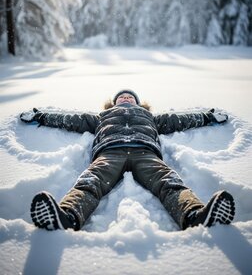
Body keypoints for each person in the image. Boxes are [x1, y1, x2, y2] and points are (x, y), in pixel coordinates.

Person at [20, 89, 235, 232]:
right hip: (110, 152)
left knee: (169, 182)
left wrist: (207, 116)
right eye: (121, 97)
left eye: (130, 97)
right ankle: (67, 216)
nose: (125, 98)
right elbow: (71, 120)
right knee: (90, 181)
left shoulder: (150, 117)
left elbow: (179, 119)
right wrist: (42, 116)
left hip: (145, 152)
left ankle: (194, 215)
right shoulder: (101, 117)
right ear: (113, 103)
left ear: (138, 103)